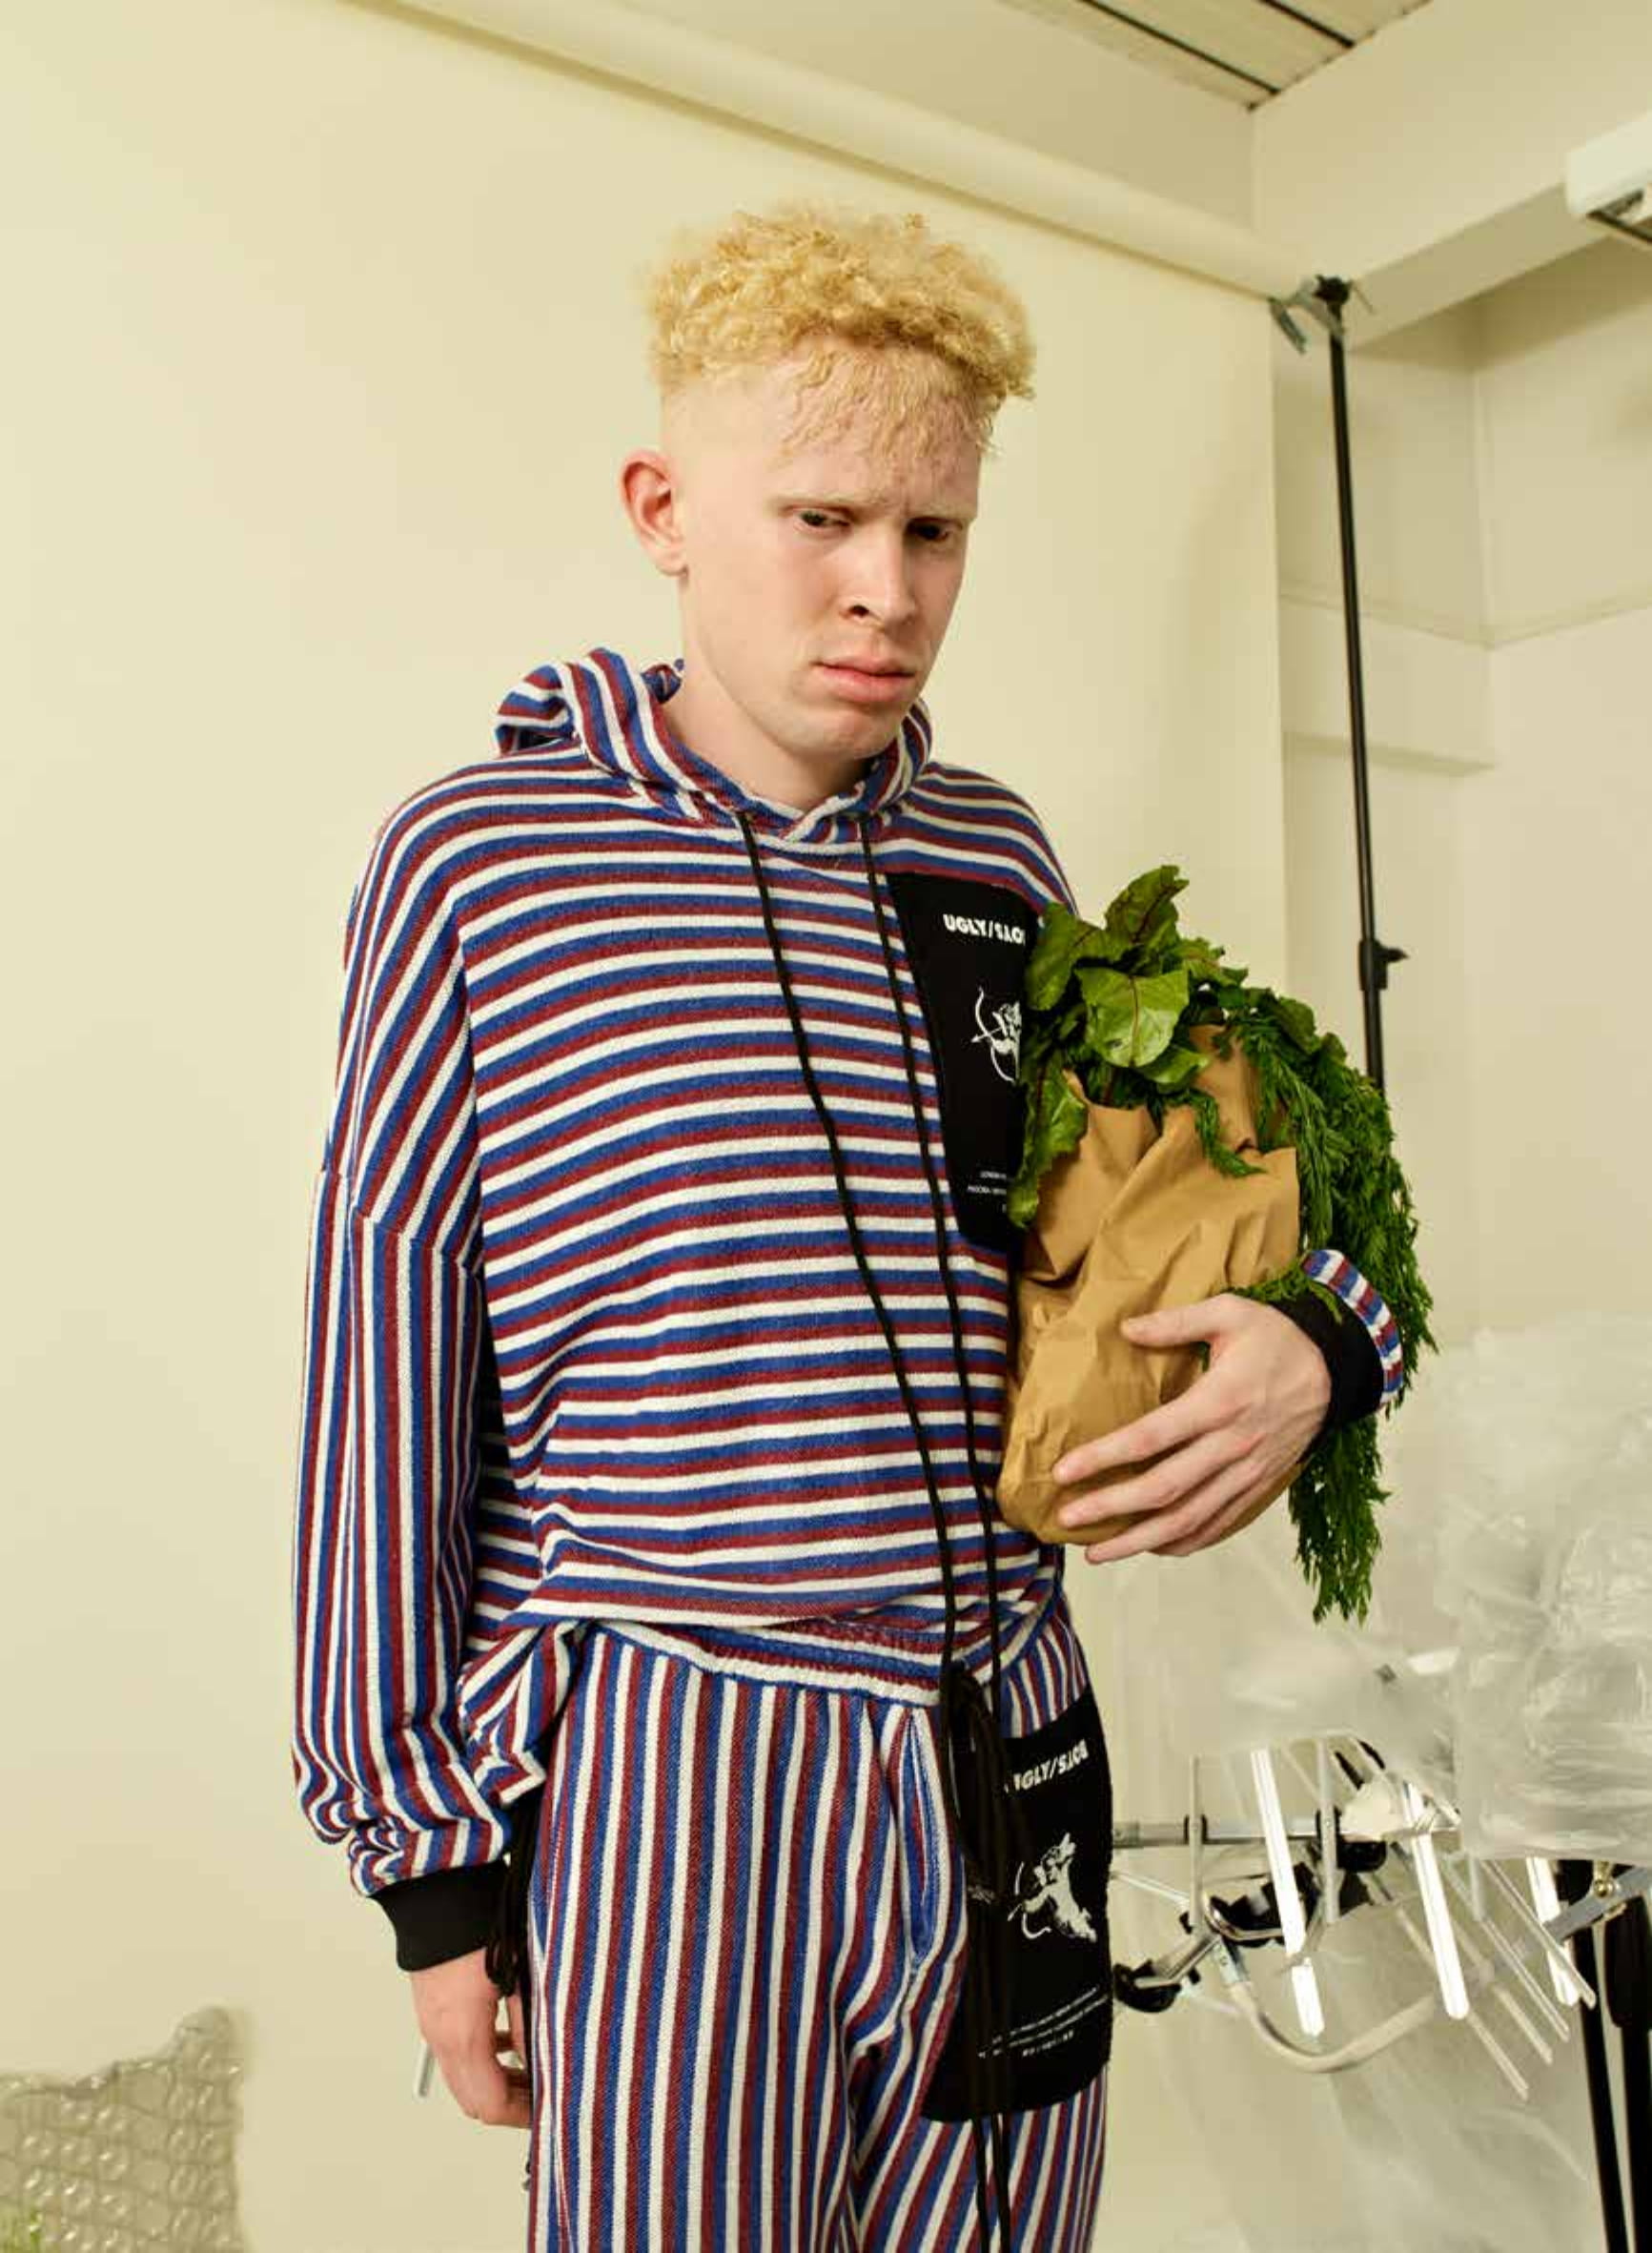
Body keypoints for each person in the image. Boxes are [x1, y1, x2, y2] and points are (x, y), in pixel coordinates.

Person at [289, 197, 1396, 2251]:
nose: (885, 591)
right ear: (664, 508)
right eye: (819, 519)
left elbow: (1195, 1215)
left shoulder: (997, 859)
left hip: (1003, 1730)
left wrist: (1325, 1347)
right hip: (675, 1761)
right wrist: (428, 1878)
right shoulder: (481, 865)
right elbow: (383, 1368)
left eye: (934, 531)